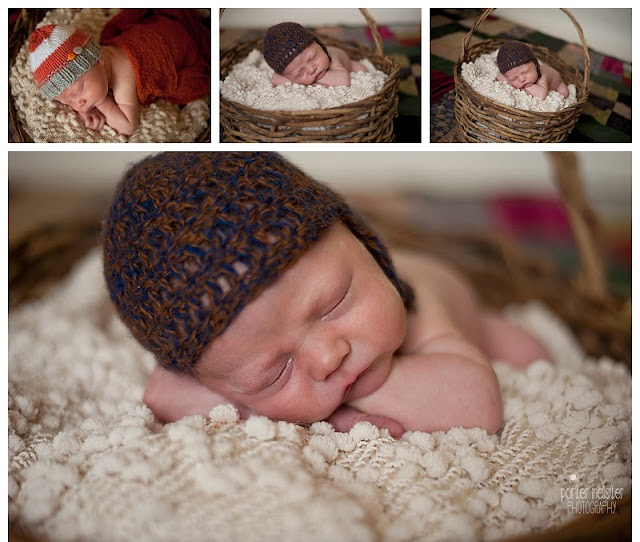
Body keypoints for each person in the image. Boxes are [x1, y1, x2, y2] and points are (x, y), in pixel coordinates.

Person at [102, 152, 550, 438]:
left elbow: (477, 405)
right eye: (274, 372)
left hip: (467, 315)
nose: (328, 356)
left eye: (335, 302)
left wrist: (307, 408)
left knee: (527, 354)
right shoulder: (207, 367)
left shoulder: (419, 305)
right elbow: (162, 397)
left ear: (365, 244)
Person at [28, 9, 210, 135]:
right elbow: (78, 95)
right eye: (67, 102)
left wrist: (102, 103)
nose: (79, 104)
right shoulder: (102, 58)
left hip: (177, 46)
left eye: (80, 91)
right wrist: (84, 105)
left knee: (192, 84)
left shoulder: (125, 77)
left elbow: (129, 125)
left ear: (97, 59)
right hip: (162, 25)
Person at [263, 22, 367, 87]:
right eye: (300, 73)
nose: (311, 69)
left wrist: (306, 81)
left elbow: (343, 80)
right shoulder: (285, 72)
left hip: (349, 65)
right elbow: (275, 79)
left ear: (320, 45)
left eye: (313, 57)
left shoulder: (332, 57)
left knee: (362, 70)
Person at [495, 40, 569, 100]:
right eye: (514, 78)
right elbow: (499, 76)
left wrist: (523, 87)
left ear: (536, 65)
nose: (522, 79)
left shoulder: (542, 76)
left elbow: (541, 95)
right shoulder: (514, 75)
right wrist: (509, 81)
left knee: (564, 94)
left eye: (526, 72)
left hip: (558, 83)